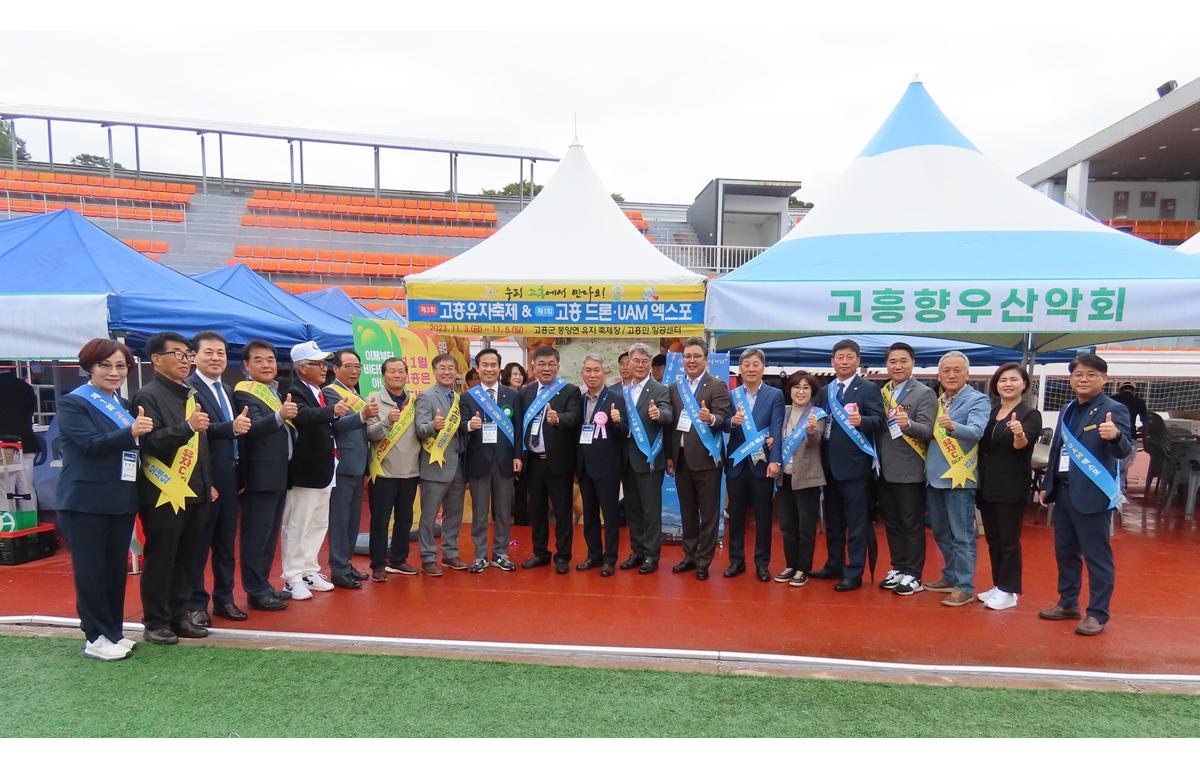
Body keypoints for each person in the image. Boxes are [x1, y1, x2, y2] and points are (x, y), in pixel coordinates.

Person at [56, 338, 154, 660]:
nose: (114, 372)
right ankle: (95, 636)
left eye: (120, 366)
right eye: (105, 365)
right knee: (91, 571)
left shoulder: (124, 405)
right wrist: (132, 432)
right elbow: (90, 444)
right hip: (84, 501)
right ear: (90, 367)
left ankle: (113, 631)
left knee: (114, 569)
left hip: (120, 498)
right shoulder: (73, 403)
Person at [1039, 352, 1133, 636]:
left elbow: (1125, 451)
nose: (1083, 379)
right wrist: (1047, 484)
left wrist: (1115, 436)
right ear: (1071, 379)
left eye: (1091, 375)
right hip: (1064, 493)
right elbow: (1057, 450)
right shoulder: (1067, 409)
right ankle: (1068, 603)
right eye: (1078, 374)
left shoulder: (1114, 409)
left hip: (1093, 495)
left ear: (1104, 379)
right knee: (1065, 553)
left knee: (1097, 558)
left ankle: (1097, 614)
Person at [132, 332, 213, 645]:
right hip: (164, 491)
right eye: (177, 353)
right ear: (156, 359)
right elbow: (150, 444)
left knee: (190, 559)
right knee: (162, 559)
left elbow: (201, 447)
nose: (185, 360)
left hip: (196, 491)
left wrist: (208, 482)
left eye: (187, 354)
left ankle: (180, 615)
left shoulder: (190, 394)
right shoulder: (147, 396)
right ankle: (155, 621)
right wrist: (187, 427)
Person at [186, 331, 252, 624]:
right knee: (199, 545)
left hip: (230, 475)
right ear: (194, 356)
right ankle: (196, 604)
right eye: (209, 352)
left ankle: (224, 599)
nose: (216, 358)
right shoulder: (189, 389)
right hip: (205, 477)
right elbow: (198, 430)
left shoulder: (226, 388)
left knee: (226, 543)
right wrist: (230, 428)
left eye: (221, 353)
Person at [232, 340, 299, 611]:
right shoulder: (244, 392)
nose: (266, 365)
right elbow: (253, 428)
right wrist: (280, 416)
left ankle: (263, 583)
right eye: (258, 360)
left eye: (270, 360)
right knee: (256, 536)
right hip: (259, 475)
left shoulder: (275, 391)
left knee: (270, 536)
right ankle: (255, 590)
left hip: (279, 473)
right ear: (246, 365)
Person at [813, 338, 884, 592]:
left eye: (849, 357)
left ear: (858, 361)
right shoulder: (825, 391)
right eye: (840, 357)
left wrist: (861, 421)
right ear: (832, 362)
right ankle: (834, 564)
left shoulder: (868, 389)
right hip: (828, 467)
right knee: (833, 522)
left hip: (855, 468)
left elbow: (879, 421)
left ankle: (854, 571)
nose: (844, 362)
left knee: (856, 524)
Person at [281, 341, 350, 599]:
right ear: (302, 368)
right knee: (298, 524)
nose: (324, 368)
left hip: (325, 467)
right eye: (318, 363)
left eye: (324, 363)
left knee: (318, 523)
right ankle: (292, 577)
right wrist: (333, 411)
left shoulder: (318, 390)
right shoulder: (293, 391)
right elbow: (303, 415)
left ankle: (309, 570)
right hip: (305, 470)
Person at [924, 351, 990, 608]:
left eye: (957, 370)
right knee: (941, 532)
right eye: (946, 371)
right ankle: (950, 575)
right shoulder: (936, 400)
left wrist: (952, 427)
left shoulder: (978, 399)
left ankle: (964, 586)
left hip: (960, 477)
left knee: (962, 536)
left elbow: (976, 431)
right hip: (934, 477)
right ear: (939, 375)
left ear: (967, 374)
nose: (951, 375)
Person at [977, 363, 1042, 611]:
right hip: (987, 485)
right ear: (996, 384)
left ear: (1024, 384)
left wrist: (1018, 434)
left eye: (1014, 379)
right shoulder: (992, 411)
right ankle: (999, 585)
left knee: (1008, 541)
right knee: (993, 540)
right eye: (1003, 380)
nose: (1008, 384)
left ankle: (1010, 589)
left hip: (1011, 486)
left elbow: (1023, 445)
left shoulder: (1029, 414)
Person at [875, 342, 936, 597]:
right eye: (893, 361)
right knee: (892, 522)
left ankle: (914, 574)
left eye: (903, 361)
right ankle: (898, 567)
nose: (897, 366)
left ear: (913, 363)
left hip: (910, 469)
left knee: (911, 524)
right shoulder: (881, 392)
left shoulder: (924, 393)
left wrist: (908, 424)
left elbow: (928, 431)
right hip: (884, 468)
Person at [667, 337, 731, 581]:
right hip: (681, 459)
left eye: (696, 356)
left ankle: (704, 561)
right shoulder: (675, 388)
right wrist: (670, 457)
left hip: (707, 460)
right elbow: (671, 427)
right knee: (687, 512)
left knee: (709, 513)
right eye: (687, 356)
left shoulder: (717, 385)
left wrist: (710, 418)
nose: (691, 360)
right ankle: (690, 556)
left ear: (706, 359)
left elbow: (723, 418)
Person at [722, 348, 784, 581]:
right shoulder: (732, 395)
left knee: (763, 516)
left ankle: (762, 563)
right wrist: (732, 422)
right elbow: (723, 424)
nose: (750, 369)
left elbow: (776, 428)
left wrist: (775, 459)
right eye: (746, 364)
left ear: (763, 368)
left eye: (755, 364)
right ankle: (736, 561)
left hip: (762, 463)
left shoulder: (774, 395)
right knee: (736, 515)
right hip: (737, 463)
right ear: (740, 369)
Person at [519, 345, 582, 573]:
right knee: (537, 511)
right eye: (541, 364)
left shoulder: (570, 391)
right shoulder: (525, 392)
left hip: (558, 462)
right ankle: (540, 553)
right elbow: (519, 427)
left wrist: (558, 419)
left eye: (551, 364)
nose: (546, 368)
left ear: (557, 366)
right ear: (533, 367)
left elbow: (574, 417)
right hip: (533, 462)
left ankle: (563, 556)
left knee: (563, 511)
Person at [612, 343, 672, 574]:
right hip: (626, 460)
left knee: (651, 511)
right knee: (633, 510)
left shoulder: (659, 389)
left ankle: (651, 556)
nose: (639, 365)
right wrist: (616, 421)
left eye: (644, 361)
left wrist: (659, 414)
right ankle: (637, 552)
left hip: (649, 459)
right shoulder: (620, 391)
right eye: (635, 360)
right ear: (628, 363)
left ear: (649, 364)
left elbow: (667, 413)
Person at [461, 348, 523, 573]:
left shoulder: (512, 395)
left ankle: (500, 553)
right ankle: (479, 555)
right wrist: (470, 425)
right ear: (477, 368)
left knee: (503, 511)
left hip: (505, 461)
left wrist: (518, 456)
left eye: (493, 365)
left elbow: (518, 429)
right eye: (484, 365)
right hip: (479, 461)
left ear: (500, 368)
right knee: (479, 512)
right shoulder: (468, 396)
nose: (489, 369)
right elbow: (461, 425)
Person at [324, 349, 380, 589]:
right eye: (349, 366)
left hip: (358, 464)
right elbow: (337, 425)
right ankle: (338, 568)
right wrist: (362, 415)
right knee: (340, 519)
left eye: (357, 366)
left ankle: (346, 563)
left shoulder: (356, 393)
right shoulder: (331, 392)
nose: (355, 371)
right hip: (343, 465)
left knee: (353, 519)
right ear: (335, 369)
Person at [363, 357, 421, 580]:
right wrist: (387, 421)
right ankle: (378, 564)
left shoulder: (414, 402)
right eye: (392, 371)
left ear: (407, 375)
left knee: (405, 519)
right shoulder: (373, 400)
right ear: (383, 375)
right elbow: (370, 434)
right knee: (380, 519)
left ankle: (398, 560)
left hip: (410, 470)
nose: (397, 375)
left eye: (401, 371)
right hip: (383, 471)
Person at [414, 353, 470, 576]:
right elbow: (420, 429)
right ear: (434, 371)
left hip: (458, 465)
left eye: (450, 368)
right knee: (429, 516)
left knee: (454, 514)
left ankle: (450, 552)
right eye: (442, 368)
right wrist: (433, 426)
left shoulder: (459, 397)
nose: (447, 372)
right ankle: (428, 557)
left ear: (456, 372)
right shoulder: (426, 396)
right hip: (434, 465)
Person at [774, 372, 826, 587]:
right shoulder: (783, 411)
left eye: (806, 388)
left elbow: (817, 441)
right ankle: (790, 565)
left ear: (812, 392)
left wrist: (812, 431)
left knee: (806, 528)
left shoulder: (817, 414)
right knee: (787, 526)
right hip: (784, 478)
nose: (801, 391)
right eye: (797, 387)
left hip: (807, 479)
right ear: (790, 390)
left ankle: (803, 568)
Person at [575, 354, 623, 575]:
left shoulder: (615, 398)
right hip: (584, 467)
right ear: (582, 374)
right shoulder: (579, 399)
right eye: (588, 370)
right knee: (590, 515)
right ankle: (593, 555)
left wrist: (618, 422)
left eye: (596, 370)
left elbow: (624, 433)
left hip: (607, 467)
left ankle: (610, 558)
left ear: (604, 373)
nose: (592, 374)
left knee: (610, 516)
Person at [501, 361, 529, 525]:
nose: (518, 377)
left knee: (522, 488)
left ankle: (521, 519)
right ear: (507, 377)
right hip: (506, 447)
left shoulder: (527, 393)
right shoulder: (502, 394)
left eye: (520, 374)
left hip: (523, 446)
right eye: (514, 374)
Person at [1112, 382, 1148, 494]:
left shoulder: (1112, 399)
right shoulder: (1139, 402)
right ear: (1133, 391)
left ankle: (1112, 488)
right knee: (1124, 466)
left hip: (1112, 435)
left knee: (1113, 464)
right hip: (1130, 435)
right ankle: (1121, 490)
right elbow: (1145, 420)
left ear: (1120, 390)